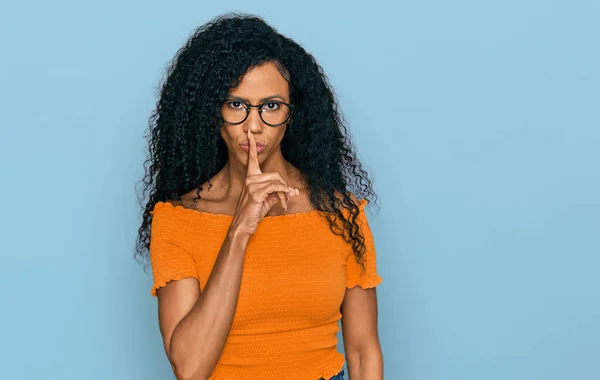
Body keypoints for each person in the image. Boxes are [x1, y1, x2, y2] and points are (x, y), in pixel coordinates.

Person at [135, 13, 383, 380]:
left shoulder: (340, 214)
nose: (254, 126)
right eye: (237, 105)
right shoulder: (178, 219)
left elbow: (363, 353)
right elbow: (189, 368)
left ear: (292, 114)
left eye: (270, 106)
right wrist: (238, 232)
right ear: (212, 111)